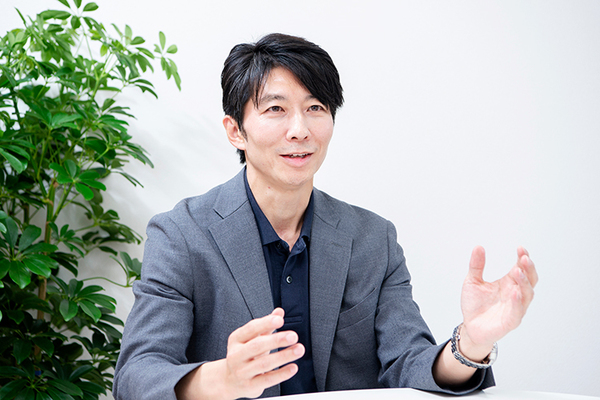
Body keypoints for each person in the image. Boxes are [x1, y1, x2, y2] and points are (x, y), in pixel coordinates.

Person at [113, 33, 538, 400]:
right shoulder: (182, 234)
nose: (300, 129)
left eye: (316, 107)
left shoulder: (373, 239)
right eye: (275, 109)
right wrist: (222, 378)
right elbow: (135, 377)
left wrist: (471, 342)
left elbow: (408, 363)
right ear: (235, 131)